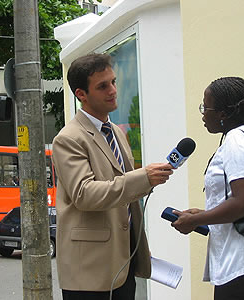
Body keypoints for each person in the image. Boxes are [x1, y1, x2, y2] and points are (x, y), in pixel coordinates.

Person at [52, 53, 174, 300]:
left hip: (124, 259)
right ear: (81, 95)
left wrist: (149, 180)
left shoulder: (117, 133)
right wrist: (144, 178)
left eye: (113, 82)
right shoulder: (68, 138)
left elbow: (123, 189)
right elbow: (84, 194)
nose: (113, 90)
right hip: (88, 270)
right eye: (102, 86)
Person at [171, 77, 244, 300]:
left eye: (206, 107)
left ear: (222, 114)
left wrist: (195, 221)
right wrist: (203, 215)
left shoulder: (236, 142)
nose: (203, 114)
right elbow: (238, 199)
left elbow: (243, 203)